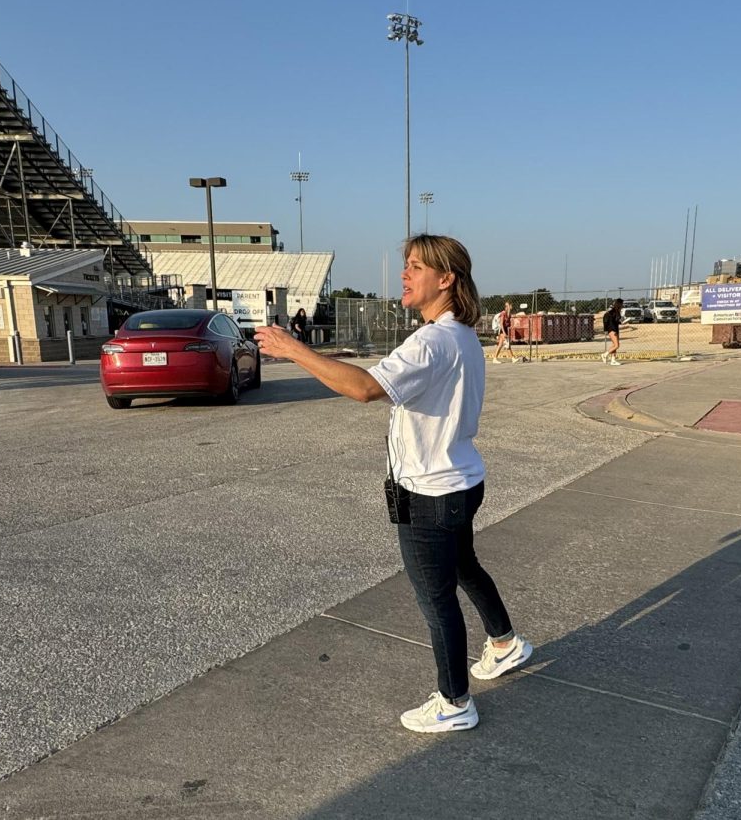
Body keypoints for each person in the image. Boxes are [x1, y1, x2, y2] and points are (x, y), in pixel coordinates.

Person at [254, 235, 532, 733]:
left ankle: (455, 702)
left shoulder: (431, 341)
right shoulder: (463, 335)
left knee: (436, 600)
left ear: (446, 279)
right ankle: (505, 643)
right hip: (461, 480)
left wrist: (293, 349)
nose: (404, 275)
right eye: (405, 266)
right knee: (465, 567)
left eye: (416, 267)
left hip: (430, 493)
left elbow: (363, 388)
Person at [600, 298, 622, 366]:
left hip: (615, 329)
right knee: (617, 345)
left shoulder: (616, 311)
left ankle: (613, 360)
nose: (622, 306)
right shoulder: (612, 311)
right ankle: (604, 355)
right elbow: (608, 320)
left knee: (614, 345)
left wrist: (620, 322)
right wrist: (607, 330)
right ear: (619, 304)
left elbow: (615, 320)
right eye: (622, 304)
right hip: (612, 330)